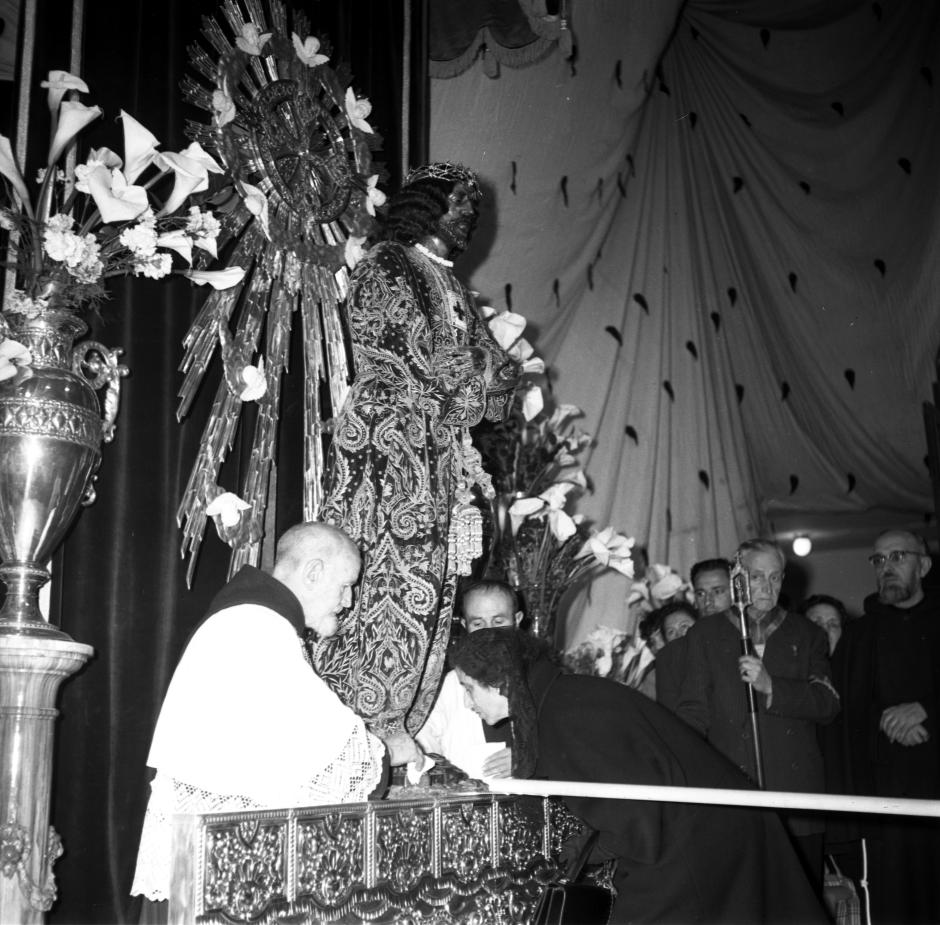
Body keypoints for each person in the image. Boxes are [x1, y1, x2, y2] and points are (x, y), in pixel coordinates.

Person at [315, 162, 519, 737]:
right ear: (427, 204)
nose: (467, 218)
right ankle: (361, 727)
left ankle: (397, 732)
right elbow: (409, 361)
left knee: (432, 593)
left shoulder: (451, 283)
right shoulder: (387, 263)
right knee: (388, 582)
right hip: (391, 444)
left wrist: (485, 380)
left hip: (440, 453)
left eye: (473, 211)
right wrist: (478, 379)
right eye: (458, 204)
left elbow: (495, 386)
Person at [450, 627, 828, 925]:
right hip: (704, 832)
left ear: (499, 681)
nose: (467, 703)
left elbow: (635, 821)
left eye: (469, 688)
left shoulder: (562, 714)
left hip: (697, 847)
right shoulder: (560, 698)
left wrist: (580, 854)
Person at [130, 523, 414, 910]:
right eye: (345, 585)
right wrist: (389, 750)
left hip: (221, 852)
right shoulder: (258, 627)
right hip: (222, 863)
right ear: (313, 572)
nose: (347, 601)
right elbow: (333, 749)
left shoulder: (253, 620)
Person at [676, 539, 839, 892]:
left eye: (775, 577)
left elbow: (827, 704)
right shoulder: (706, 633)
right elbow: (693, 712)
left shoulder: (807, 633)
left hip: (796, 799)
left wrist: (771, 686)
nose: (767, 587)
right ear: (738, 578)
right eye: (757, 576)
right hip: (732, 793)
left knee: (797, 904)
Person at [827, 530, 940, 923]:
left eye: (897, 557)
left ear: (923, 565)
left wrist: (926, 709)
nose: (886, 568)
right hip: (884, 800)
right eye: (878, 560)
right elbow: (842, 711)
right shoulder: (858, 636)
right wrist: (886, 719)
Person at [416, 579, 524, 779]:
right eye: (478, 623)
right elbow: (425, 735)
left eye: (499, 621)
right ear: (465, 626)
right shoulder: (453, 683)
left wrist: (529, 757)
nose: (489, 632)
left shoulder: (536, 676)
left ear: (517, 620)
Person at [652, 600, 697, 714]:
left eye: (684, 626)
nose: (679, 634)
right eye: (671, 632)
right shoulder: (667, 671)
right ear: (666, 641)